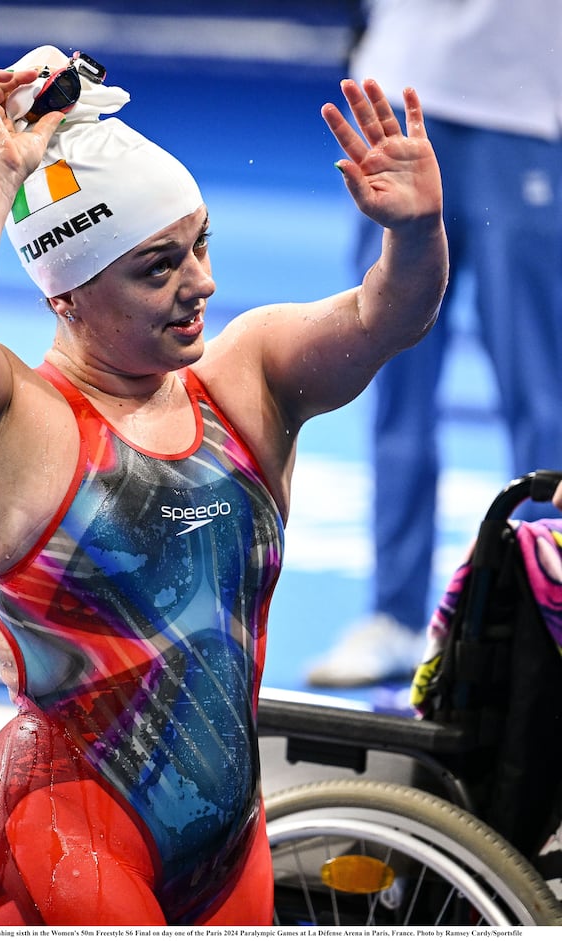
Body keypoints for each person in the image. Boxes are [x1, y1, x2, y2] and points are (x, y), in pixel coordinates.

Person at [0, 42, 447, 926]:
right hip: (61, 832)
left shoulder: (248, 380)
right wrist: (1, 170)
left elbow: (385, 315)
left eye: (200, 247)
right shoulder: (14, 427)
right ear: (67, 296)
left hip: (226, 838)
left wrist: (414, 232)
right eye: (158, 267)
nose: (202, 284)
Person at [307, 0, 562, 688]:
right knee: (392, 372)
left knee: (542, 393)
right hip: (402, 83)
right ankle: (393, 613)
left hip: (528, 106)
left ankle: (544, 624)